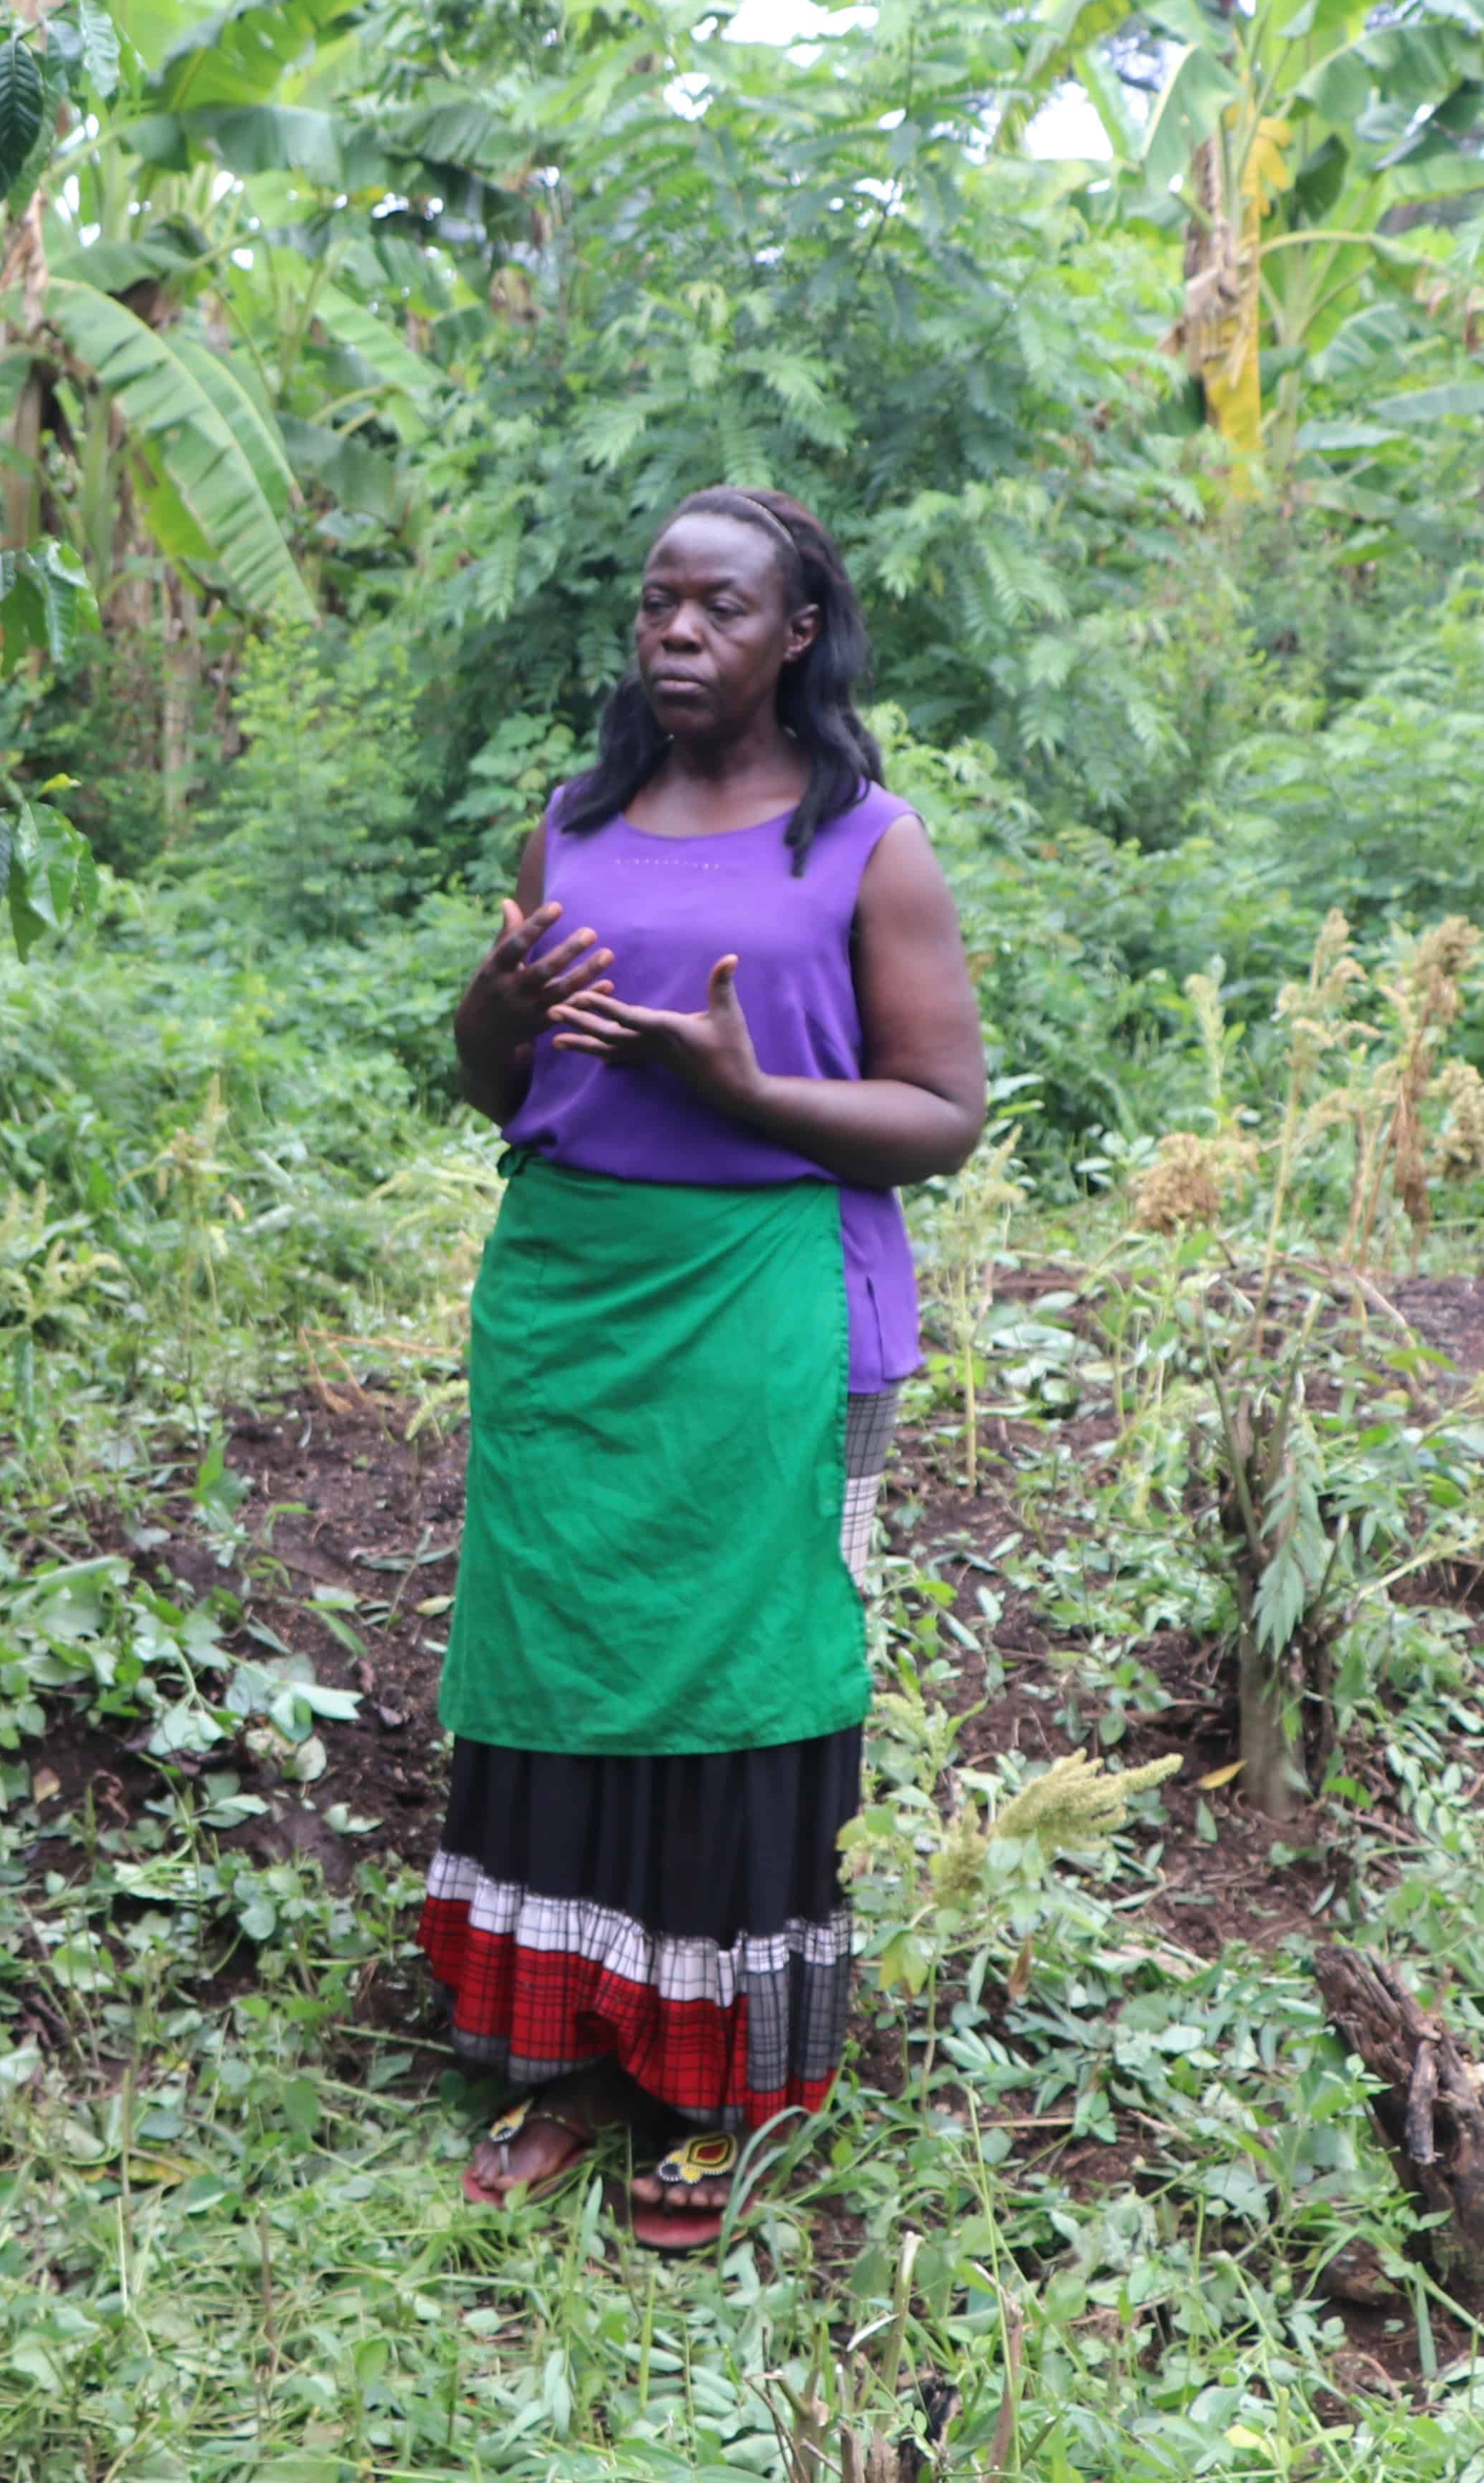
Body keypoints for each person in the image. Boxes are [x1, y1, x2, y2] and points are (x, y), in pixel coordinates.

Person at [428, 486, 986, 2253]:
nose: (676, 635)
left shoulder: (867, 845)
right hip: (573, 1304)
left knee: (748, 1677)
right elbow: (495, 1084)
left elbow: (941, 1114)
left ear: (796, 634)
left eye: (719, 609)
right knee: (560, 1663)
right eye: (657, 605)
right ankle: (567, 2053)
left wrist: (747, 1095)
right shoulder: (573, 826)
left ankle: (723, 2085)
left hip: (768, 1309)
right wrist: (499, 1018)